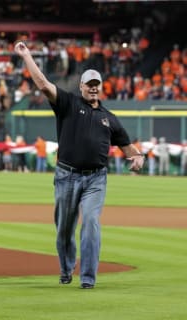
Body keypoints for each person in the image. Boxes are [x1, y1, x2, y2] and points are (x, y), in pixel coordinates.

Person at [14, 41, 144, 289]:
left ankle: (87, 278)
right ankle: (66, 268)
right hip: (66, 176)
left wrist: (139, 157)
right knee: (64, 229)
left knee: (92, 222)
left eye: (97, 85)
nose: (93, 89)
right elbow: (42, 84)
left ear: (101, 88)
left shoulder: (109, 119)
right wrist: (27, 55)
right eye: (90, 85)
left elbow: (129, 148)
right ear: (82, 86)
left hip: (96, 179)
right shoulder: (68, 104)